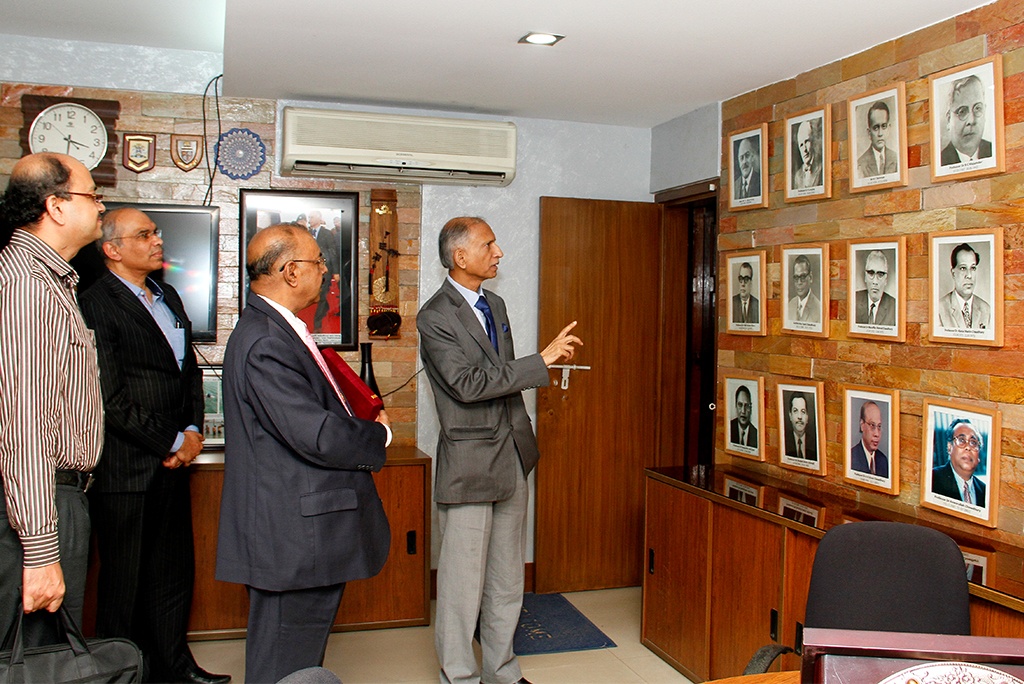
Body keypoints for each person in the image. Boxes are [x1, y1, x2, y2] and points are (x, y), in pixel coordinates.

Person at [216, 224, 393, 683]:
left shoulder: (277, 329)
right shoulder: (265, 341)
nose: (326, 271)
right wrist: (377, 437)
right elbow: (314, 434)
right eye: (318, 261)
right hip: (294, 538)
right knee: (284, 666)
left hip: (302, 534)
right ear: (292, 272)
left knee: (297, 660)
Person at [418, 216, 582, 684]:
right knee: (460, 585)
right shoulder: (434, 317)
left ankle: (502, 671)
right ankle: (459, 676)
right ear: (460, 257)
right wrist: (541, 361)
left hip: (513, 455)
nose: (499, 252)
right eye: (489, 244)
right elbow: (468, 386)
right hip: (470, 463)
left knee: (507, 580)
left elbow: (500, 380)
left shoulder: (496, 304)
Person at [79, 208, 229, 684]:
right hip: (126, 467)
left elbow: (186, 373)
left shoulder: (168, 296)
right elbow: (109, 397)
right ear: (112, 249)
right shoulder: (95, 301)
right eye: (143, 234)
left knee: (172, 575)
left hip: (173, 461)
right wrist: (169, 439)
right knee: (123, 585)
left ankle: (173, 667)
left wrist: (190, 431)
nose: (156, 240)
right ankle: (120, 674)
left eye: (156, 232)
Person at [0, 152, 105, 645]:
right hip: (38, 506)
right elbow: (24, 423)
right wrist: (41, 551)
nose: (101, 205)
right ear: (56, 206)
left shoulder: (52, 280)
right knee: (36, 658)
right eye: (91, 194)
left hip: (56, 497)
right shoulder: (27, 285)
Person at [932, 419, 986, 507]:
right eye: (961, 440)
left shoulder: (984, 490)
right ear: (949, 447)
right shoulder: (932, 478)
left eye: (973, 442)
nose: (968, 447)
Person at [940, 75, 993, 166]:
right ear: (949, 120)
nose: (971, 121)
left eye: (977, 108)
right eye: (962, 112)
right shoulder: (942, 161)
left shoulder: (993, 150)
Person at [937, 243, 991, 329]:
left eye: (973, 268)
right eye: (963, 268)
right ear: (953, 273)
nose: (969, 275)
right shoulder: (939, 308)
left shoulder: (986, 309)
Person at [307, 210, 339, 333]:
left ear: (319, 218)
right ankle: (324, 309)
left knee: (322, 294)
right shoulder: (308, 234)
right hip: (310, 271)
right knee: (317, 296)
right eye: (309, 217)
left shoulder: (326, 234)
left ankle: (317, 324)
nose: (310, 219)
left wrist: (336, 271)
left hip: (325, 270)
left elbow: (332, 252)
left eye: (312, 217)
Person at [857, 100, 899, 178]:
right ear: (869, 133)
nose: (880, 133)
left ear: (889, 128)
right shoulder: (860, 164)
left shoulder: (896, 158)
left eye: (883, 126)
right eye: (876, 128)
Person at [854, 250, 896, 326]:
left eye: (880, 274)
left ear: (886, 280)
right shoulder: (854, 300)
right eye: (871, 273)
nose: (875, 281)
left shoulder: (894, 307)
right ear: (865, 277)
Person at [850, 401, 889, 478]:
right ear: (862, 425)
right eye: (872, 425)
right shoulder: (851, 457)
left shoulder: (883, 461)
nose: (876, 434)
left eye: (879, 426)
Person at [787, 254, 821, 323]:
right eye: (796, 277)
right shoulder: (789, 305)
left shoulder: (819, 309)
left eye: (803, 277)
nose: (799, 282)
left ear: (810, 278)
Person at [783, 392, 816, 461]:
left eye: (803, 411)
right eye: (795, 411)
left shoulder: (815, 443)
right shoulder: (784, 442)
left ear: (807, 416)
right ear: (790, 416)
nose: (800, 417)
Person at [792, 120, 823, 190]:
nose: (804, 149)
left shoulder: (822, 168)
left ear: (813, 142)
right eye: (801, 145)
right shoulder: (798, 175)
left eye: (806, 142)